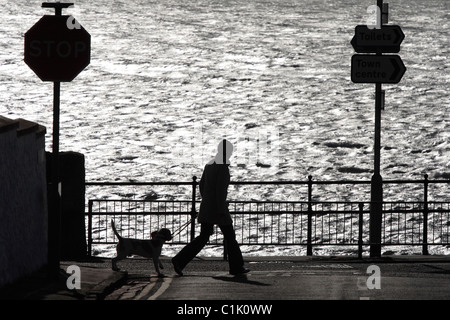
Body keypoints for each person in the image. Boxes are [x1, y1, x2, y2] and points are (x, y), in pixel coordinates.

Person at [172, 139, 249, 276]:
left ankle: (179, 260)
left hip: (207, 207)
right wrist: (220, 208)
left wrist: (206, 201)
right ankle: (236, 267)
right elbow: (220, 190)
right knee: (230, 237)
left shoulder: (210, 164)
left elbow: (202, 186)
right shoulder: (222, 166)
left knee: (203, 237)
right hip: (218, 208)